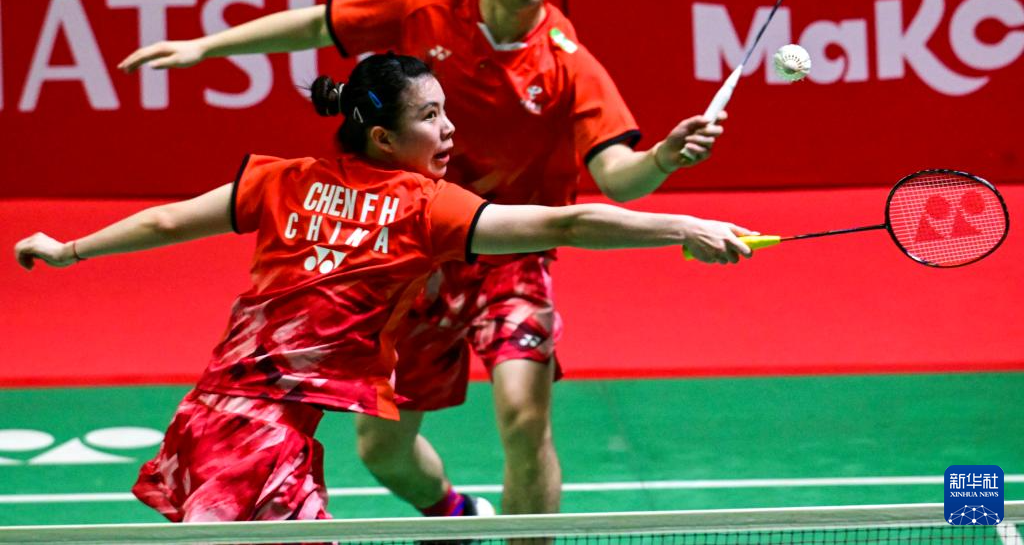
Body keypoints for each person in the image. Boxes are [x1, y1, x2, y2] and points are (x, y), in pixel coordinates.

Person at [117, 0, 730, 518]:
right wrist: (203, 48)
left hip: (510, 253)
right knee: (382, 449)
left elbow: (618, 177)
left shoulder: (568, 61)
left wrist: (663, 157)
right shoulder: (421, 9)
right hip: (410, 256)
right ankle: (457, 514)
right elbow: (316, 25)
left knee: (525, 418)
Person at [15, 53, 752, 523]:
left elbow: (167, 220)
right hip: (259, 445)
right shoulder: (424, 207)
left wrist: (69, 249)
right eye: (431, 117)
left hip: (212, 417)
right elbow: (570, 221)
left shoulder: (281, 179)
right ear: (384, 140)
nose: (450, 129)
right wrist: (683, 226)